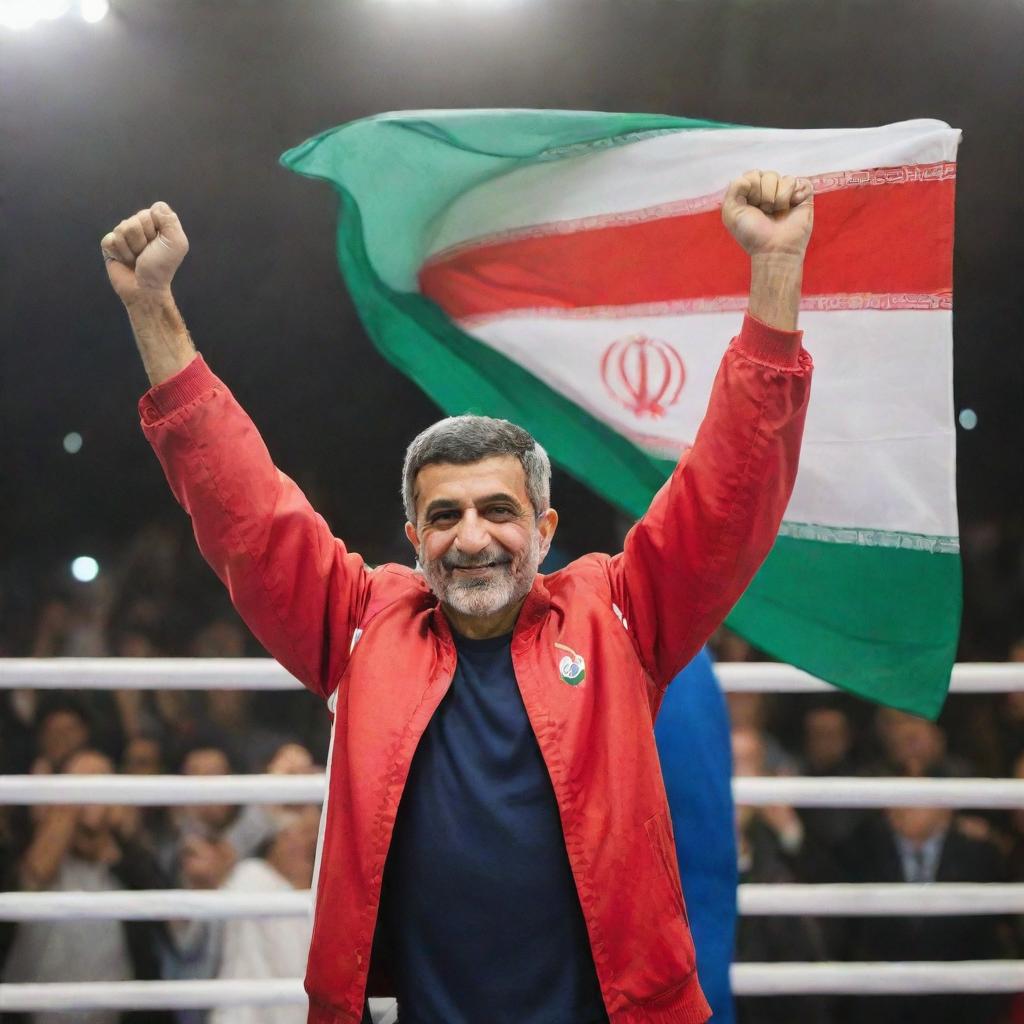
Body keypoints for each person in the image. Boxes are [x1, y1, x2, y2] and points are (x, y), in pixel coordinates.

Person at [101, 169, 814, 1024]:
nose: (472, 538)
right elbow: (244, 511)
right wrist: (152, 308)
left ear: (545, 529)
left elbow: (729, 493)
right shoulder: (362, 624)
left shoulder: (620, 612)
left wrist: (775, 274)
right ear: (415, 535)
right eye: (446, 515)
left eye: (498, 511)